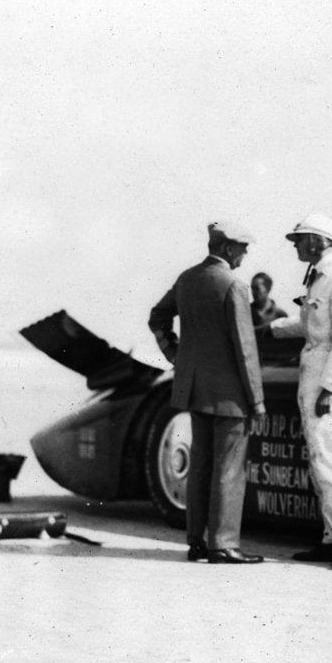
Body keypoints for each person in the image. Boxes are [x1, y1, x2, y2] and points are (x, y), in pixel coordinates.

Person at [148, 221, 266, 565]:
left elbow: (157, 318)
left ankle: (196, 542)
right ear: (228, 248)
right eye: (243, 247)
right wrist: (256, 400)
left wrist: (175, 354)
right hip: (230, 396)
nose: (245, 254)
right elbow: (245, 349)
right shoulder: (233, 286)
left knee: (199, 467)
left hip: (195, 391)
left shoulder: (187, 279)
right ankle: (224, 545)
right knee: (229, 470)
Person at [270, 213, 332, 571]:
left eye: (299, 239)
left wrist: (329, 388)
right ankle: (330, 537)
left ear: (319, 240)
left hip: (329, 379)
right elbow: (309, 326)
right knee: (317, 458)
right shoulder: (317, 279)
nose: (295, 246)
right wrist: (273, 329)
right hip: (313, 374)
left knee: (328, 458)